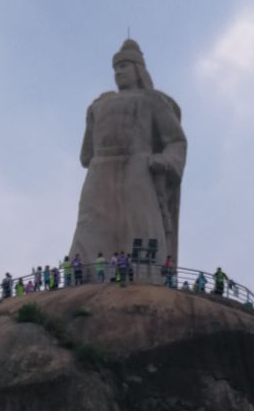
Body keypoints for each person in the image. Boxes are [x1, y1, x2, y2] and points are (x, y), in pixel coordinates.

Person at [68, 40, 187, 267]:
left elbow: (176, 141)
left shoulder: (152, 100)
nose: (118, 73)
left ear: (138, 69)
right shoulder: (99, 105)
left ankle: (146, 275)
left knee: (140, 227)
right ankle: (83, 274)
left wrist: (166, 160)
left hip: (138, 169)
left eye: (124, 66)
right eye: (116, 68)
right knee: (90, 227)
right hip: (100, 172)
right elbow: (86, 156)